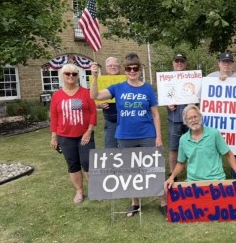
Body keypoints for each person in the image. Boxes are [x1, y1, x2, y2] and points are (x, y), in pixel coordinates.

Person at [90, 53, 164, 217]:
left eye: (135, 68)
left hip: (147, 135)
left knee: (154, 169)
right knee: (130, 170)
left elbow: (156, 115)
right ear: (125, 70)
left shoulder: (147, 89)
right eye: (129, 68)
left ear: (139, 69)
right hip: (125, 135)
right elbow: (94, 96)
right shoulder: (118, 87)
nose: (132, 71)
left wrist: (158, 136)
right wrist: (94, 77)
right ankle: (135, 204)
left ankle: (163, 202)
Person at [164, 104, 236, 190]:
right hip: (193, 182)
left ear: (200, 117)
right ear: (185, 121)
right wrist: (172, 177)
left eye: (195, 117)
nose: (193, 120)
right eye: (190, 118)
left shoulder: (214, 133)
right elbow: (181, 162)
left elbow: (228, 154)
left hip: (216, 180)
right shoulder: (183, 139)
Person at [50, 63, 97, 204]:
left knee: (88, 162)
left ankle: (94, 189)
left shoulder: (86, 93)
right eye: (67, 74)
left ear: (78, 76)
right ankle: (79, 191)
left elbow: (93, 113)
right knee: (73, 164)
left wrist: (89, 131)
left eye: (74, 74)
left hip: (84, 134)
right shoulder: (57, 95)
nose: (71, 76)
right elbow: (54, 116)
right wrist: (54, 137)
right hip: (65, 136)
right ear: (62, 76)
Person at [207, 52, 236, 179]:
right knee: (211, 150)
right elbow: (203, 99)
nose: (226, 64)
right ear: (219, 64)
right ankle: (212, 177)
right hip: (215, 121)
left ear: (233, 64)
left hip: (235, 122)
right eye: (224, 62)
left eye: (229, 62)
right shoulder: (210, 77)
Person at [167, 54, 189, 179]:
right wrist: (167, 105)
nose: (179, 63)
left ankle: (192, 173)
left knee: (192, 146)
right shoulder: (167, 79)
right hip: (174, 118)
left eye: (182, 61)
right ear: (173, 63)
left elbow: (199, 97)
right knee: (173, 147)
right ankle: (172, 174)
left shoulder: (193, 77)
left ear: (185, 64)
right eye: (177, 61)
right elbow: (164, 98)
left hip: (190, 119)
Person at [96, 57, 121, 149]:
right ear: (106, 68)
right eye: (110, 65)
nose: (113, 67)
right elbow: (93, 100)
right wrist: (98, 105)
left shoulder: (126, 80)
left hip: (126, 121)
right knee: (111, 149)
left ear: (119, 67)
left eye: (115, 65)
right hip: (111, 121)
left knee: (128, 149)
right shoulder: (100, 82)